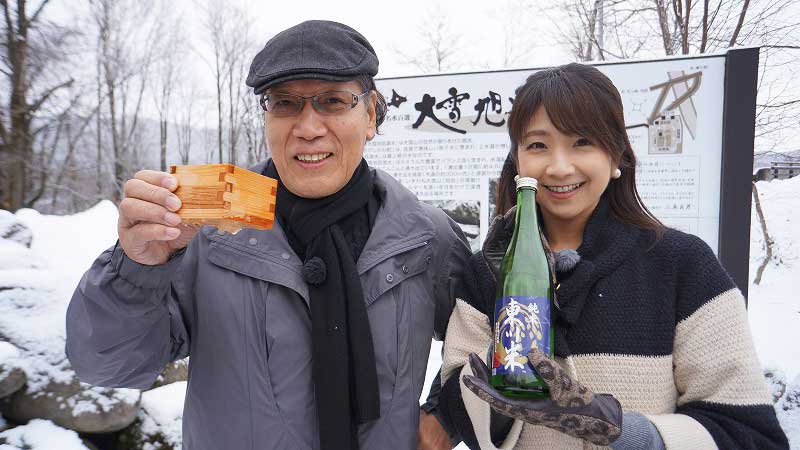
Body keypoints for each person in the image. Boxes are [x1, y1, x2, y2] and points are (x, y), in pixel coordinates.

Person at [65, 20, 469, 450]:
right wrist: (137, 268)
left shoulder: (426, 238)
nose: (308, 127)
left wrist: (446, 416)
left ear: (370, 115)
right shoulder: (205, 237)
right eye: (285, 103)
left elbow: (494, 344)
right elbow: (109, 367)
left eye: (333, 102)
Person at [434, 63, 789, 450]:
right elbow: (457, 410)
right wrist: (513, 333)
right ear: (518, 160)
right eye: (537, 145)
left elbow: (750, 436)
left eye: (582, 141)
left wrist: (625, 433)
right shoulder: (487, 271)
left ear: (616, 153)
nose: (559, 166)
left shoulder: (683, 265)